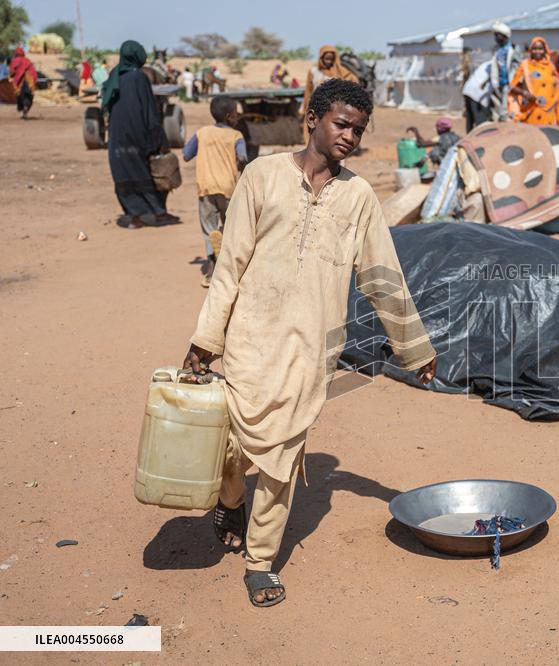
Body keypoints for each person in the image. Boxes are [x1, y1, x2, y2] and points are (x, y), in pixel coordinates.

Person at [183, 78, 437, 608]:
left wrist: (416, 349)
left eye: (358, 130)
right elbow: (228, 267)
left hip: (310, 352)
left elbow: (382, 276)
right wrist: (205, 340)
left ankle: (260, 560)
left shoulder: (359, 196)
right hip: (250, 339)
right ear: (313, 119)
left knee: (280, 459)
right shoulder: (261, 176)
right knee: (229, 447)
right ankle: (230, 500)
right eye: (341, 123)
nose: (349, 136)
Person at [102, 40, 175, 228]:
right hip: (137, 134)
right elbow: (149, 110)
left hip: (117, 137)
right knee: (152, 171)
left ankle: (134, 217)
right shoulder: (139, 78)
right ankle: (159, 213)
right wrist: (158, 137)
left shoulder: (114, 76)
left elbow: (108, 104)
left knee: (124, 175)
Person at [182, 96, 248, 287]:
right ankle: (230, 269)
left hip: (206, 187)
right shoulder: (236, 136)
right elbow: (242, 158)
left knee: (208, 229)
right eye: (236, 114)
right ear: (229, 117)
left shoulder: (202, 133)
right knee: (231, 227)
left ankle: (211, 270)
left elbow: (186, 154)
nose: (238, 117)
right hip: (228, 189)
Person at [302, 46, 358, 143]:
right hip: (316, 106)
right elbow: (308, 90)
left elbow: (353, 81)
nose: (329, 61)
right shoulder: (313, 71)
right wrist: (305, 107)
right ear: (321, 58)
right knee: (313, 130)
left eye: (331, 59)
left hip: (333, 108)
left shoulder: (340, 72)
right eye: (326, 58)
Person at [508, 37, 559, 127]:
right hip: (531, 111)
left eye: (540, 49)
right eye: (534, 49)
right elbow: (512, 87)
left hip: (549, 113)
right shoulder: (525, 66)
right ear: (530, 50)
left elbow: (557, 91)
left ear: (545, 50)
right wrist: (524, 93)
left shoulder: (550, 67)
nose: (537, 51)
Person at [487, 23, 518, 122]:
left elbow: (516, 67)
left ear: (504, 36)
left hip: (508, 84)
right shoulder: (497, 50)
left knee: (506, 109)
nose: (496, 38)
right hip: (499, 83)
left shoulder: (513, 50)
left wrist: (512, 83)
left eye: (498, 35)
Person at [462, 60, 492, 132]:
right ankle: (480, 140)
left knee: (470, 119)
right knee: (481, 122)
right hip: (477, 94)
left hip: (468, 90)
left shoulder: (487, 63)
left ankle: (469, 138)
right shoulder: (495, 65)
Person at [9, 47, 37, 119]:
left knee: (20, 96)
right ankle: (25, 108)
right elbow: (33, 71)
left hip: (20, 81)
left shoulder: (15, 61)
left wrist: (13, 76)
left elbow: (12, 72)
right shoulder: (27, 60)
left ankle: (23, 108)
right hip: (29, 80)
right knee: (29, 96)